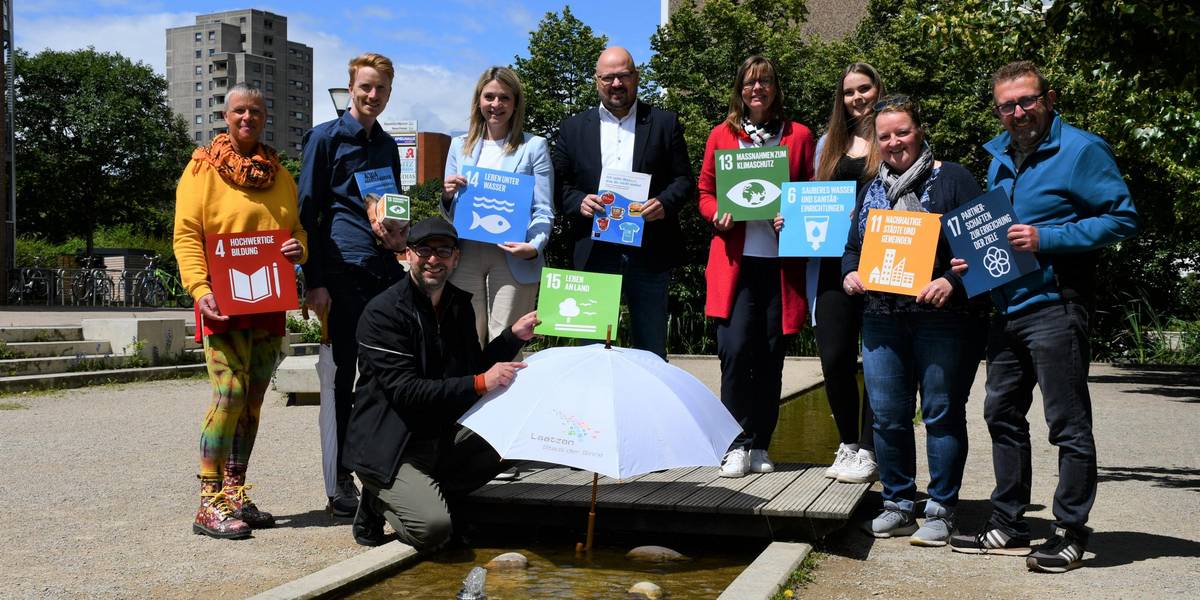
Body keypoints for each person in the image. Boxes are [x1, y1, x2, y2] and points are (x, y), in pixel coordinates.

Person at [950, 61, 1138, 572]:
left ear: (1048, 99)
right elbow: (996, 234)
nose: (1017, 112)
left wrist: (1047, 238)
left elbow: (1121, 217)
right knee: (1001, 415)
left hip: (1056, 306)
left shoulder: (1080, 150)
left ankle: (1070, 531)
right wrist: (969, 264)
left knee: (1067, 425)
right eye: (1007, 105)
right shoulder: (998, 156)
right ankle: (1008, 523)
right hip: (1006, 309)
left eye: (1026, 101)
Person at [842, 95, 989, 545]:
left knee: (942, 414)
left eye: (902, 132)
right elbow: (852, 249)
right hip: (882, 320)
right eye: (884, 136)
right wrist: (849, 273)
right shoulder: (872, 189)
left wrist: (951, 282)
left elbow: (983, 249)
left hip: (940, 319)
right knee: (887, 417)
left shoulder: (954, 179)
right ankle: (899, 504)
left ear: (920, 131)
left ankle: (942, 510)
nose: (893, 142)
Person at [342, 217, 538, 551]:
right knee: (434, 530)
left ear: (456, 258)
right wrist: (480, 382)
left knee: (514, 440)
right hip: (390, 444)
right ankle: (378, 495)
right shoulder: (383, 313)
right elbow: (407, 392)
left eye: (444, 251)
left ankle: (412, 492)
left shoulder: (458, 306)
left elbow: (471, 368)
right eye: (425, 250)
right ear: (407, 255)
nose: (434, 259)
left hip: (437, 435)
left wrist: (510, 338)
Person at [174, 83, 308, 539]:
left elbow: (297, 233)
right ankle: (207, 501)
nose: (247, 117)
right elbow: (187, 234)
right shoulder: (201, 169)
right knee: (228, 395)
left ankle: (235, 490)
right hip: (222, 299)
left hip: (268, 299)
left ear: (264, 117)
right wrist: (198, 288)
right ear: (225, 116)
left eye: (255, 111)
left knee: (251, 400)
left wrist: (298, 249)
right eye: (238, 111)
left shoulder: (280, 174)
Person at [299, 53, 410, 519]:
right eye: (365, 87)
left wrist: (401, 236)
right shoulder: (324, 139)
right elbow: (306, 214)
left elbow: (397, 202)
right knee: (345, 375)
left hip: (383, 269)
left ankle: (380, 467)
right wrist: (314, 282)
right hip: (341, 271)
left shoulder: (386, 146)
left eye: (381, 89)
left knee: (385, 372)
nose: (372, 96)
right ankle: (341, 475)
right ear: (350, 88)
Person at [697, 55, 815, 478]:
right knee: (734, 352)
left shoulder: (799, 135)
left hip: (780, 267)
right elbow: (706, 191)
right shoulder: (721, 135)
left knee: (770, 356)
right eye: (749, 83)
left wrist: (795, 216)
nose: (757, 89)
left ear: (775, 87)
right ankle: (734, 444)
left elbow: (811, 191)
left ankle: (761, 442)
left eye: (764, 81)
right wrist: (716, 215)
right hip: (735, 264)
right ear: (739, 90)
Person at [552, 46, 694, 359]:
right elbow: (558, 186)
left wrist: (664, 203)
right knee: (589, 353)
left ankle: (649, 409)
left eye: (624, 76)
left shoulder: (664, 123)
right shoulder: (572, 128)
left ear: (636, 77)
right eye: (609, 78)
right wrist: (579, 202)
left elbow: (684, 180)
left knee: (651, 351)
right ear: (596, 81)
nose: (617, 84)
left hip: (650, 251)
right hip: (594, 251)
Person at [810, 62, 885, 484]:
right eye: (848, 92)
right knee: (835, 356)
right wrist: (792, 221)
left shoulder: (892, 136)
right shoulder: (828, 144)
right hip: (832, 264)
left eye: (864, 89)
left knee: (877, 357)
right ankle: (847, 443)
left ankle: (870, 447)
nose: (856, 98)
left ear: (877, 89)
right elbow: (813, 198)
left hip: (881, 261)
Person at [442, 66, 554, 347]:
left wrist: (535, 245)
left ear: (515, 103)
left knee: (506, 342)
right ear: (478, 100)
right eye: (489, 96)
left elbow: (544, 208)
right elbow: (450, 212)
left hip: (513, 256)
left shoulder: (534, 146)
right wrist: (446, 195)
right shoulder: (458, 147)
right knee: (465, 341)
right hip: (465, 254)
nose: (496, 105)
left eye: (504, 98)